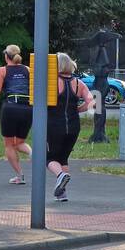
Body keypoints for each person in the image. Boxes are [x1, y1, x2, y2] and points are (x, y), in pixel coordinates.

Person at [45, 53, 94, 202]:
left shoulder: (52, 82)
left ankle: (61, 176)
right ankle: (62, 193)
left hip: (54, 124)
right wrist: (79, 109)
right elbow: (92, 102)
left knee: (49, 158)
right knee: (63, 159)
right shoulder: (79, 83)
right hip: (73, 126)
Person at [0, 45, 32, 185]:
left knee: (9, 144)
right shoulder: (27, 70)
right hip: (27, 108)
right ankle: (35, 155)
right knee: (20, 143)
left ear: (6, 56)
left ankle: (20, 176)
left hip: (11, 107)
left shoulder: (2, 70)